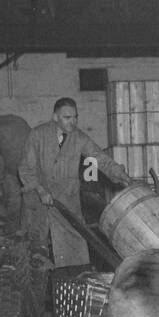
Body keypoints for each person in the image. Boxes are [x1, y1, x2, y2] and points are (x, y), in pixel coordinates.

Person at [19, 97, 133, 268]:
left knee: (74, 249)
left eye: (75, 117)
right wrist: (40, 190)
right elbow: (26, 169)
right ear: (55, 117)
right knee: (35, 250)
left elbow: (100, 159)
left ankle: (74, 279)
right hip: (37, 200)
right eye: (67, 117)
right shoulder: (37, 135)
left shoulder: (80, 138)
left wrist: (122, 175)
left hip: (67, 200)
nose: (72, 122)